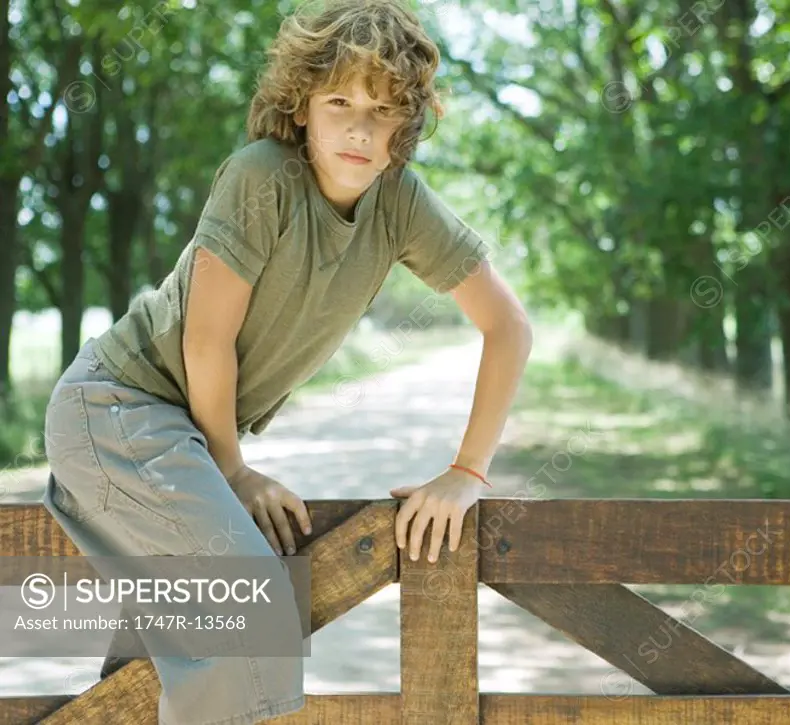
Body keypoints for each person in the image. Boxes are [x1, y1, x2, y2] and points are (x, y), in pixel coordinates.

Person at [41, 0, 533, 722]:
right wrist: (234, 471)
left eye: (385, 107)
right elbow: (204, 341)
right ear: (300, 104)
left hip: (176, 436)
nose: (360, 127)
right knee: (255, 611)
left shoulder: (399, 203)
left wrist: (466, 472)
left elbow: (509, 326)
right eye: (340, 100)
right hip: (116, 409)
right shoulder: (261, 176)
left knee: (198, 639)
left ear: (407, 123)